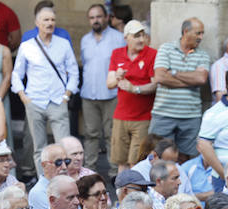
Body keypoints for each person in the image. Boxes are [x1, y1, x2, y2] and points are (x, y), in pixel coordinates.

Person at [11, 5, 77, 174]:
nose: (50, 23)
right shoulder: (27, 46)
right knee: (39, 148)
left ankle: (65, 181)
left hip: (58, 100)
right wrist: (24, 97)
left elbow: (74, 71)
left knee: (65, 147)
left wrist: (67, 95)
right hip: (35, 101)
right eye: (46, 20)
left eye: (53, 20)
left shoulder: (63, 44)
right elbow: (16, 74)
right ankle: (44, 182)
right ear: (37, 23)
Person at [147, 18, 210, 163]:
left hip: (190, 115)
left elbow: (201, 79)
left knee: (185, 157)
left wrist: (174, 72)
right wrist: (190, 81)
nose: (201, 37)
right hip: (163, 113)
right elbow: (160, 77)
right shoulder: (166, 49)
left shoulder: (203, 55)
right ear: (186, 31)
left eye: (202, 33)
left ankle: (181, 184)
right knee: (158, 153)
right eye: (198, 33)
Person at [79, 4, 125, 173]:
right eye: (92, 18)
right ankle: (89, 170)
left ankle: (114, 171)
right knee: (90, 134)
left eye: (98, 16)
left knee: (111, 135)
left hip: (111, 94)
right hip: (89, 94)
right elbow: (85, 63)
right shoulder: (85, 40)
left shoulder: (119, 38)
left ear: (106, 17)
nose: (95, 20)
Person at [107, 20, 156, 172]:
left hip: (142, 118)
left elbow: (155, 85)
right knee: (121, 162)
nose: (141, 39)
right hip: (121, 116)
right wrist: (117, 76)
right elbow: (109, 83)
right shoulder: (117, 54)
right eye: (136, 36)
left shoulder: (152, 54)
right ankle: (122, 194)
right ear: (126, 37)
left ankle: (135, 194)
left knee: (136, 163)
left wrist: (135, 89)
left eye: (143, 35)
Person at [28, 143, 69, 209]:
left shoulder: (69, 185)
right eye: (58, 162)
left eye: (67, 161)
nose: (64, 167)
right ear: (44, 165)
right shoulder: (38, 192)